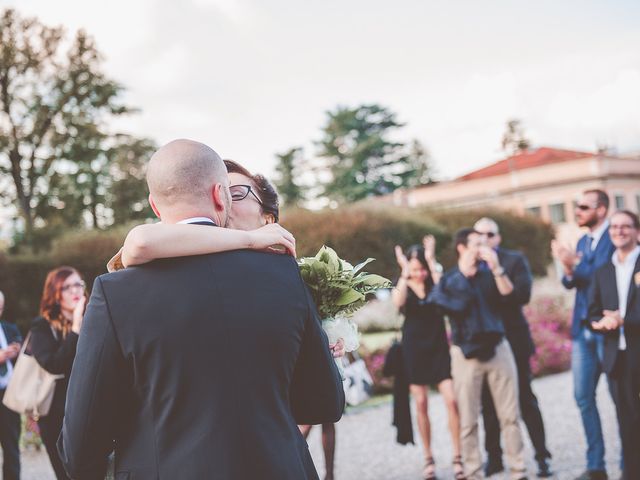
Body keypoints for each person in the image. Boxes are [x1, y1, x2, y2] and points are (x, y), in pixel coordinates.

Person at [58, 139, 345, 479]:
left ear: (154, 205)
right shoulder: (284, 276)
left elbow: (80, 447)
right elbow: (324, 403)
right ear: (219, 194)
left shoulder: (115, 292)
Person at [429, 228, 526, 480]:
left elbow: (509, 295)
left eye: (485, 243)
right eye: (477, 243)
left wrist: (496, 268)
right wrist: (464, 275)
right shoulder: (450, 279)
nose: (484, 247)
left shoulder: (491, 273)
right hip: (465, 353)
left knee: (510, 415)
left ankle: (519, 469)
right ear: (462, 247)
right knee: (468, 419)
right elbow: (441, 304)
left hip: (498, 348)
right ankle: (473, 472)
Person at [474, 218, 552, 478]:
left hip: (513, 340)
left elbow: (523, 296)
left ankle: (542, 456)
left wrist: (497, 270)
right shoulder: (468, 263)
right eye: (478, 234)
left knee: (524, 399)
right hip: (483, 344)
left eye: (489, 234)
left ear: (498, 238)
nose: (483, 238)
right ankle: (494, 457)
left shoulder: (514, 259)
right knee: (487, 403)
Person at [552, 189, 615, 480]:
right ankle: (596, 465)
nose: (577, 211)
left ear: (601, 210)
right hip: (582, 331)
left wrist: (574, 264)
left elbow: (602, 275)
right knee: (583, 397)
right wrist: (567, 267)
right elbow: (574, 283)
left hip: (608, 330)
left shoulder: (612, 237)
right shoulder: (581, 241)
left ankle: (630, 461)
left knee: (620, 397)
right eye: (577, 206)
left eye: (584, 207)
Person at [392, 238, 465, 480]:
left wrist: (432, 260)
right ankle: (428, 457)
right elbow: (397, 303)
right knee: (421, 403)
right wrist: (405, 273)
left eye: (421, 268)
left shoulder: (434, 279)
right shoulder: (403, 283)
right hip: (413, 348)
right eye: (415, 269)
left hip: (437, 347)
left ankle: (457, 457)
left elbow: (445, 290)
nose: (419, 273)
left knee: (452, 400)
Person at [589, 210, 640, 480]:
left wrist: (624, 321)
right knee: (625, 421)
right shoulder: (603, 270)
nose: (619, 231)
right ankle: (630, 473)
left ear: (637, 232)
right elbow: (592, 312)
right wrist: (600, 323)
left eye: (626, 227)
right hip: (615, 356)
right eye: (614, 228)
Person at [30, 267, 86, 480]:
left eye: (78, 284)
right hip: (56, 415)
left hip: (89, 406)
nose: (75, 290)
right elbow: (54, 364)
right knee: (67, 474)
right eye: (67, 287)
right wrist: (76, 328)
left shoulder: (95, 317)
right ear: (55, 293)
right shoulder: (42, 326)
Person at [0, 291, 22, 480]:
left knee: (11, 445)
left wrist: (18, 350)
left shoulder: (9, 328)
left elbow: (26, 350)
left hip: (10, 394)